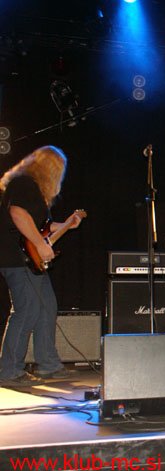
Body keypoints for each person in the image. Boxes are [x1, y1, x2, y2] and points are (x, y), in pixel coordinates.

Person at [0, 146, 84, 386]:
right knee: (27, 309)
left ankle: (48, 365)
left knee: (47, 307)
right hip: (16, 258)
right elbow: (17, 213)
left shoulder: (34, 191)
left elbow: (43, 227)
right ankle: (9, 370)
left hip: (29, 259)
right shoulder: (24, 183)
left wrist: (68, 223)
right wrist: (39, 243)